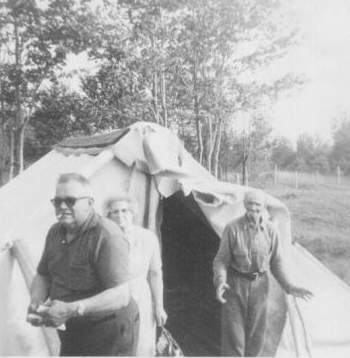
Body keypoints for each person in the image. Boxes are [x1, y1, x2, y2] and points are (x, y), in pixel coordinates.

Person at [26, 173, 139, 356]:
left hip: (109, 330)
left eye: (70, 201)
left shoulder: (107, 236)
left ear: (89, 203)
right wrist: (36, 302)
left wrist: (72, 309)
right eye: (57, 201)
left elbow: (121, 295)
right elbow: (43, 274)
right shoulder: (55, 232)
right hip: (73, 327)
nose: (62, 207)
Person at [213, 189, 313, 357]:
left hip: (260, 286)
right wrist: (221, 280)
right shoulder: (232, 228)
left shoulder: (271, 230)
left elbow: (277, 262)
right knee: (234, 338)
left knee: (256, 338)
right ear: (244, 205)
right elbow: (221, 260)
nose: (253, 209)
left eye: (257, 206)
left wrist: (289, 286)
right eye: (250, 205)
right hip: (235, 285)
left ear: (263, 208)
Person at [105, 195, 167, 356]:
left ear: (133, 213)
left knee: (141, 344)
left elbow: (155, 274)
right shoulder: (104, 238)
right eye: (115, 212)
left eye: (124, 210)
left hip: (141, 297)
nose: (120, 215)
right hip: (113, 296)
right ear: (109, 216)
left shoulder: (147, 237)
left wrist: (159, 306)